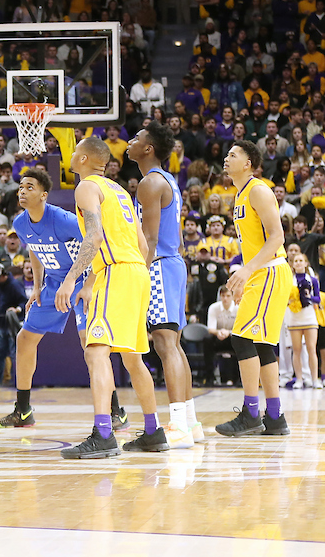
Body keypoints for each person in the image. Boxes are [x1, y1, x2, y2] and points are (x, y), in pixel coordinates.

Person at [0, 168, 127, 430]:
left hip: (83, 280)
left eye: (29, 187)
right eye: (21, 187)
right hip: (55, 284)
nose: (22, 191)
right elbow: (35, 248)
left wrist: (87, 285)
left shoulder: (64, 219)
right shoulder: (21, 223)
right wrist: (36, 287)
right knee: (24, 339)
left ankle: (116, 412)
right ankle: (22, 410)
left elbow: (96, 245)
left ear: (44, 195)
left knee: (91, 346)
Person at [57, 136, 164, 458]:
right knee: (133, 358)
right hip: (136, 272)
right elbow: (144, 246)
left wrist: (70, 280)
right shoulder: (119, 191)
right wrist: (101, 278)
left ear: (85, 159)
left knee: (96, 352)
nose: (71, 155)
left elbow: (94, 236)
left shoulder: (86, 187)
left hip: (116, 273)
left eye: (75, 152)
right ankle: (152, 430)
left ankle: (103, 433)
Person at [128, 122, 201, 446]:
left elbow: (150, 238)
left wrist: (139, 276)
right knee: (174, 345)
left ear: (149, 149)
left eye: (137, 138)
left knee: (164, 344)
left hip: (158, 265)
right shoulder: (167, 179)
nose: (130, 141)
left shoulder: (150, 182)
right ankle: (190, 423)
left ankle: (178, 427)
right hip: (172, 265)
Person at [215, 140, 294, 436]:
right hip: (262, 273)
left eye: (232, 154)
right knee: (260, 345)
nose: (226, 157)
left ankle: (251, 413)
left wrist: (247, 270)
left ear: (248, 163)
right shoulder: (240, 194)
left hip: (269, 271)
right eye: (227, 153)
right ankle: (275, 417)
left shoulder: (258, 190)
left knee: (241, 339)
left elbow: (277, 236)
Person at [288, 252, 321, 389]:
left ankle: (314, 379)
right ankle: (299, 379)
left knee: (311, 349)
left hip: (309, 317)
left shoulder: (312, 280)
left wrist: (308, 299)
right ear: (293, 264)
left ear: (306, 263)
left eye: (301, 260)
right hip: (294, 318)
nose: (298, 263)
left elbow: (318, 299)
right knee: (296, 350)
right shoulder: (289, 280)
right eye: (296, 261)